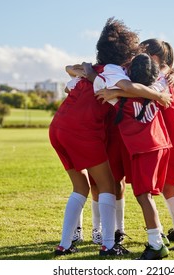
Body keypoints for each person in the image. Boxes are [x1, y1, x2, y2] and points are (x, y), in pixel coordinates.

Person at [96, 39, 174, 251]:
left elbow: (141, 91)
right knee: (165, 188)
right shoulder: (161, 76)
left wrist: (116, 91)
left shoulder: (160, 76)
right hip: (165, 138)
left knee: (168, 189)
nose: (135, 57)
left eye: (141, 53)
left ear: (155, 58)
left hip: (172, 138)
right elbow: (144, 88)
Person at [49, 17, 140, 257]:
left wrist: (88, 73)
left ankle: (65, 244)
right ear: (126, 54)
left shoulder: (95, 70)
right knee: (108, 184)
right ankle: (109, 245)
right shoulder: (113, 71)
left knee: (81, 186)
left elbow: (70, 78)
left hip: (58, 127)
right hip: (82, 131)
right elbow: (125, 88)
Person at [84, 53, 172, 260]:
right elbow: (160, 82)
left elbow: (95, 82)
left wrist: (90, 71)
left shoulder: (117, 97)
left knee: (143, 197)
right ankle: (158, 235)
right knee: (146, 195)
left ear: (130, 73)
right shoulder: (157, 88)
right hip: (159, 145)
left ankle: (156, 245)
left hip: (143, 149)